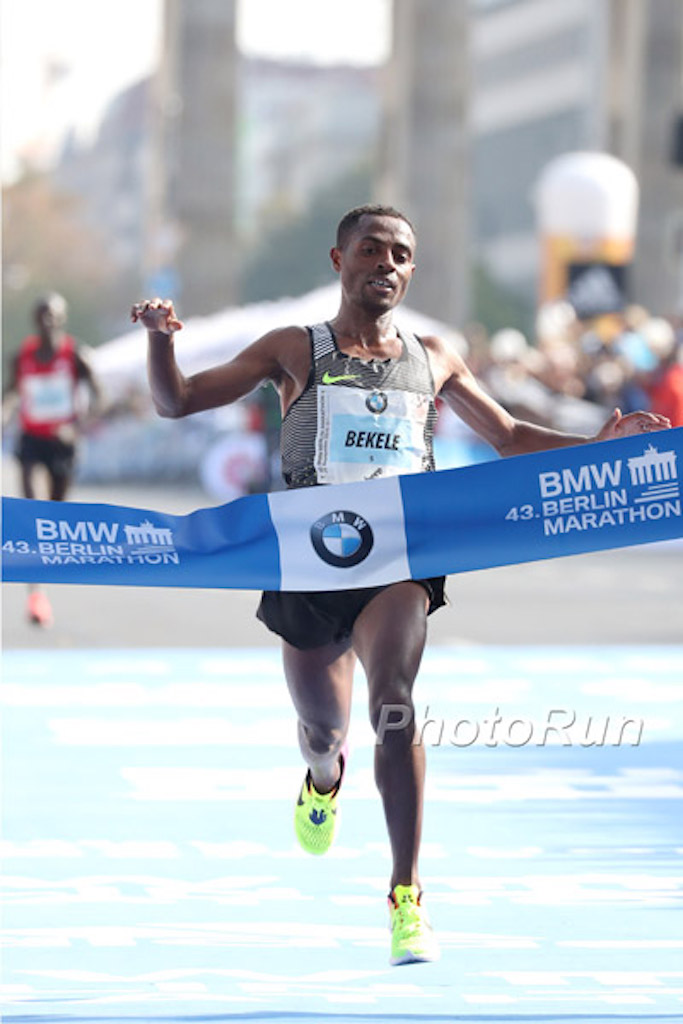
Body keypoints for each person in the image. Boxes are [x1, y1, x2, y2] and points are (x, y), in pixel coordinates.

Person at [131, 204, 670, 966]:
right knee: (325, 726)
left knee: (394, 701)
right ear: (339, 260)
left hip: (398, 558)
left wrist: (597, 448)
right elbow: (176, 400)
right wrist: (160, 343)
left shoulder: (434, 356)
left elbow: (509, 436)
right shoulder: (296, 348)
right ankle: (322, 777)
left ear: (411, 271)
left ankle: (405, 894)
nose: (387, 262)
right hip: (308, 559)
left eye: (401, 254)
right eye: (371, 249)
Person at [3, 292, 102, 626]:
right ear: (35, 319)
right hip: (31, 439)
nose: (48, 321)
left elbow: (99, 397)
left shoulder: (75, 355)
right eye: (43, 315)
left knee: (54, 517)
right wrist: (4, 412)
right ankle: (36, 595)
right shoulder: (22, 356)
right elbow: (11, 390)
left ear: (63, 319)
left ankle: (43, 575)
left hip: (63, 442)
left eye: (54, 316)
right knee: (32, 512)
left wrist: (76, 429)